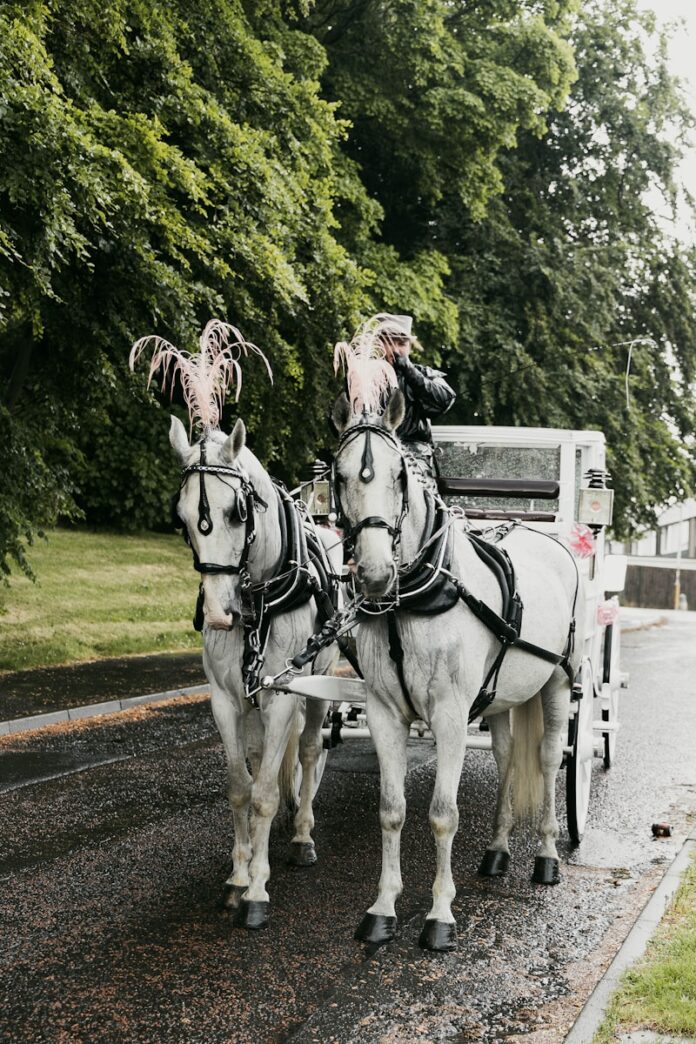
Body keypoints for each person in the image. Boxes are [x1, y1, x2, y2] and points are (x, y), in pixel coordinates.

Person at [377, 314, 455, 489]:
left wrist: (409, 371)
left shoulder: (425, 373)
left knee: (419, 486)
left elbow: (445, 400)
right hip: (372, 449)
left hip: (413, 452)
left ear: (410, 347)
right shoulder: (362, 376)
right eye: (389, 343)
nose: (395, 350)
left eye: (401, 343)